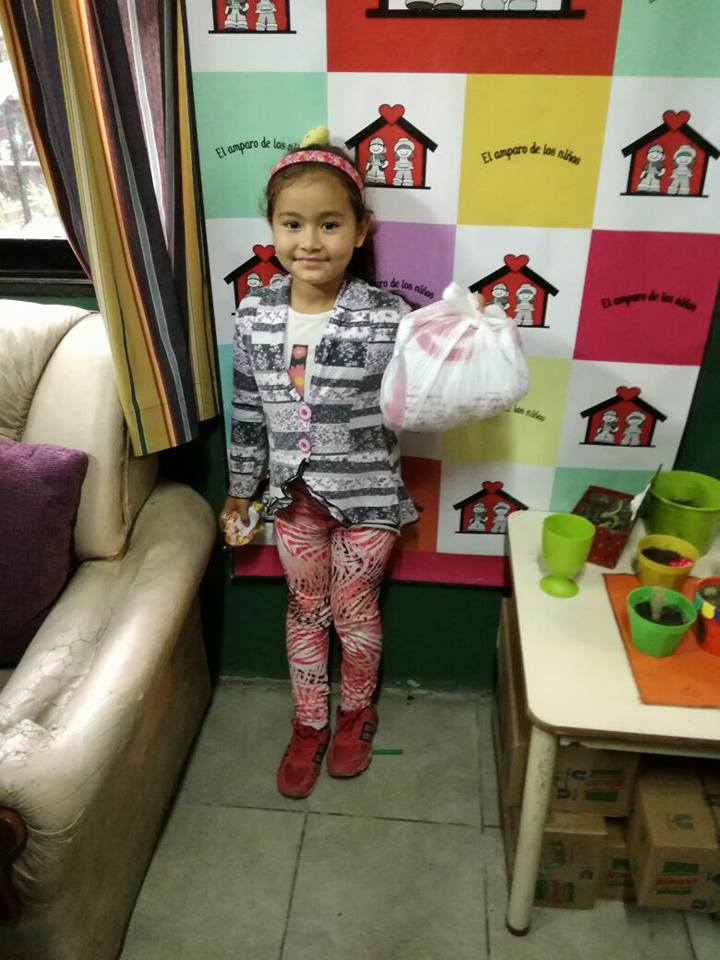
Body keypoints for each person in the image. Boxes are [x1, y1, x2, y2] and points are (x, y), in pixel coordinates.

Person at [219, 127, 419, 800]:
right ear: (273, 229)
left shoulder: (389, 316)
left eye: (330, 224)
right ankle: (309, 722)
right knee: (305, 609)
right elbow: (249, 411)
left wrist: (465, 333)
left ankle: (356, 713)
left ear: (361, 230)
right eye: (293, 223)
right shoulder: (254, 314)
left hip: (369, 501)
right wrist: (241, 489)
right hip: (292, 502)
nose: (310, 241)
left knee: (354, 609)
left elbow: (431, 387)